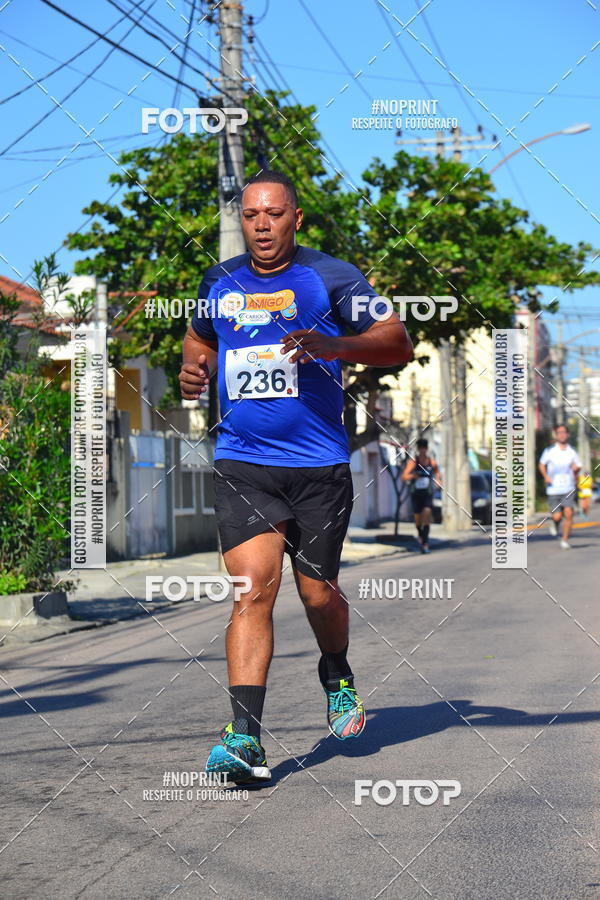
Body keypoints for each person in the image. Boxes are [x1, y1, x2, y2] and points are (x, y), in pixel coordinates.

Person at [179, 170, 413, 784]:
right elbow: (198, 341)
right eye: (252, 214)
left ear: (296, 218)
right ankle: (244, 739)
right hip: (243, 461)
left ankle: (336, 671)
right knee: (252, 589)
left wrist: (333, 346)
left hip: (318, 467)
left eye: (274, 214)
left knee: (317, 593)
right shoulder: (218, 280)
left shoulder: (330, 277)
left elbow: (397, 341)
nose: (262, 224)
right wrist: (194, 372)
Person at [538, 424, 581, 550]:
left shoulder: (572, 451)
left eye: (564, 432)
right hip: (553, 488)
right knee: (557, 516)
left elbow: (577, 467)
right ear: (556, 435)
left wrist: (576, 470)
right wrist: (546, 476)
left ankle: (565, 540)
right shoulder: (550, 450)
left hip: (568, 487)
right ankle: (555, 523)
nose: (562, 435)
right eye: (559, 432)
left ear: (567, 434)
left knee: (568, 513)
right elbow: (541, 465)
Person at [402, 439, 440, 553]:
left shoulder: (431, 462)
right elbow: (404, 476)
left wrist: (438, 480)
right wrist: (413, 476)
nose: (423, 450)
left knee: (427, 514)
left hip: (427, 493)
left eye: (425, 448)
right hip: (416, 494)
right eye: (421, 448)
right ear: (418, 449)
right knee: (418, 519)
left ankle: (425, 543)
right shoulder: (414, 462)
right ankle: (420, 534)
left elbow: (437, 473)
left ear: (427, 449)